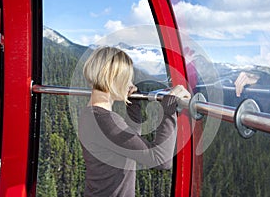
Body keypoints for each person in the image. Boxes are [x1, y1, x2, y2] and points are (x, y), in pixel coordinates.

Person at [78, 46, 191, 197]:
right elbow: (160, 160)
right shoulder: (107, 121)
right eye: (127, 78)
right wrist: (169, 109)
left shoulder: (89, 114)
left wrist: (133, 105)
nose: (130, 84)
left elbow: (128, 142)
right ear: (113, 79)